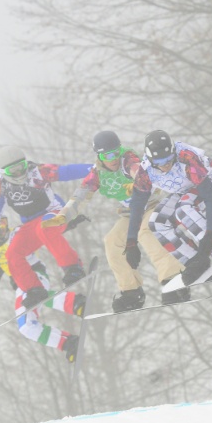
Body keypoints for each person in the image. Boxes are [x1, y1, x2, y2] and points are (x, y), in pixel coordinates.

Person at [42, 131, 184, 313]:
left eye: (115, 152)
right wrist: (63, 216)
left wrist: (137, 181)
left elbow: (137, 170)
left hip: (152, 205)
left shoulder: (127, 160)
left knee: (146, 232)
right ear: (99, 156)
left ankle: (173, 279)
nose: (113, 159)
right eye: (107, 155)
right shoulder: (97, 174)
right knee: (112, 242)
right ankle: (131, 291)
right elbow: (82, 194)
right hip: (131, 213)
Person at [124, 130, 212, 303]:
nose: (166, 165)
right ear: (151, 160)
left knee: (184, 209)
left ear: (173, 153)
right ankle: (195, 261)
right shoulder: (145, 171)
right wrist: (131, 242)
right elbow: (137, 204)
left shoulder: (185, 158)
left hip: (211, 183)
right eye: (160, 162)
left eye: (168, 160)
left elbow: (210, 196)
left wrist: (210, 235)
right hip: (185, 191)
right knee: (156, 221)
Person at [0, 146, 93, 312]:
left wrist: (94, 169)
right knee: (13, 253)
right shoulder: (0, 184)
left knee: (45, 228)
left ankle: (73, 267)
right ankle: (34, 289)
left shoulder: (39, 172)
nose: (19, 173)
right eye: (12, 170)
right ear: (3, 171)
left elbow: (67, 171)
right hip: (30, 224)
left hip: (55, 212)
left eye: (21, 166)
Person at [0, 210, 84, 362]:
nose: (2, 228)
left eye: (4, 223)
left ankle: (75, 309)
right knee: (27, 327)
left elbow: (43, 234)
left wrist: (69, 224)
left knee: (27, 323)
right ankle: (69, 336)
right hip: (21, 283)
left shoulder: (17, 234)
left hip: (34, 273)